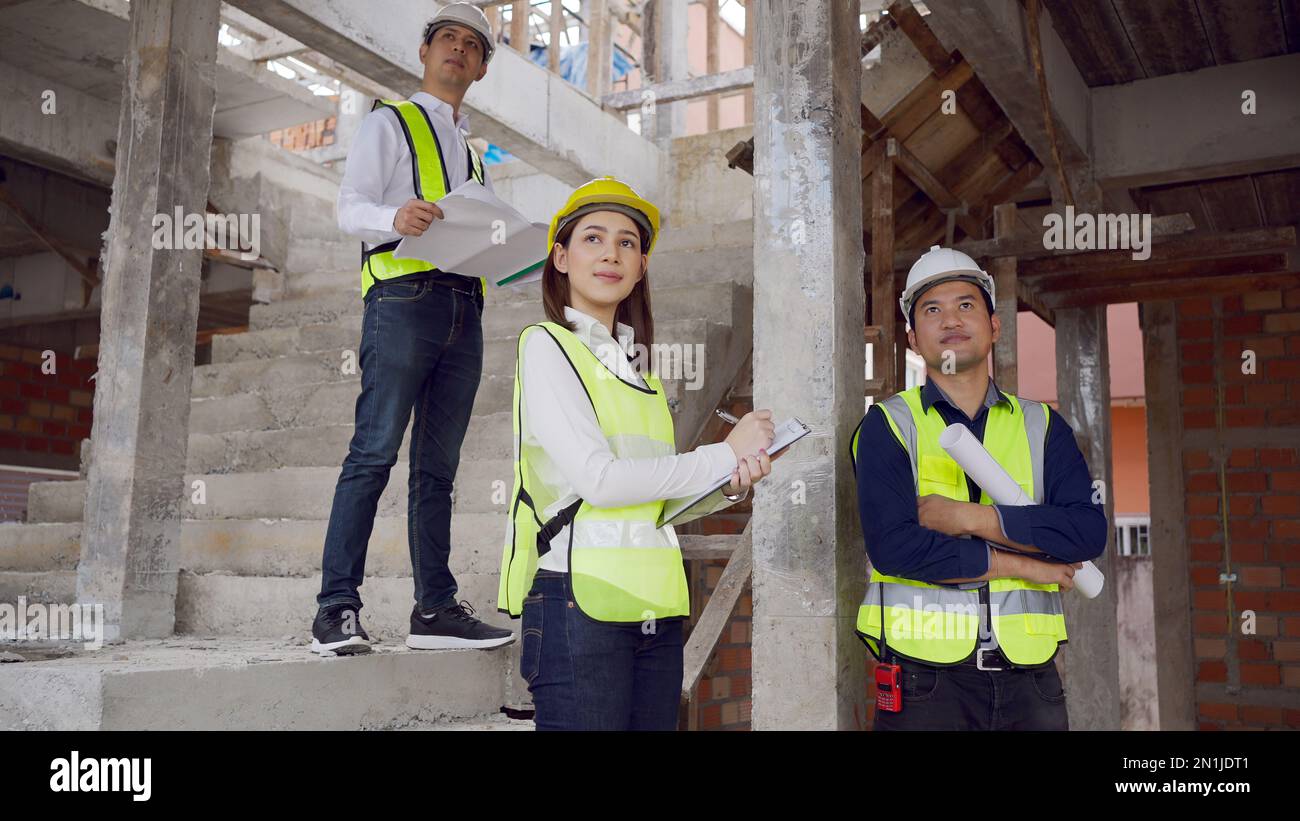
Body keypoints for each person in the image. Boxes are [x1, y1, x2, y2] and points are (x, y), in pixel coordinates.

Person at [497, 177, 776, 730]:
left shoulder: (639, 373)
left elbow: (657, 502)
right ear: (560, 258)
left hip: (655, 603)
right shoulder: (547, 345)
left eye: (628, 243)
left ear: (641, 266)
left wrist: (728, 483)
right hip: (578, 601)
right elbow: (599, 483)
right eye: (593, 238)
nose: (611, 253)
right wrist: (722, 455)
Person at [312, 4, 513, 655]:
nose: (458, 50)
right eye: (447, 39)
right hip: (403, 299)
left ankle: (435, 610)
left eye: (471, 45)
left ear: (481, 67)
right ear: (425, 52)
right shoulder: (387, 121)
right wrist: (396, 215)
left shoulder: (475, 155)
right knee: (373, 452)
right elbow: (349, 209)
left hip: (465, 308)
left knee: (438, 469)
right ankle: (335, 608)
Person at [850, 245, 1107, 730]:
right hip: (924, 685)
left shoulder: (1042, 425)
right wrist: (1025, 564)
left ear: (995, 326)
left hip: (1032, 682)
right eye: (932, 309)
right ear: (912, 338)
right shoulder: (888, 426)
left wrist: (971, 518)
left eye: (966, 305)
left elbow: (1085, 535)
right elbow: (897, 550)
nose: (951, 319)